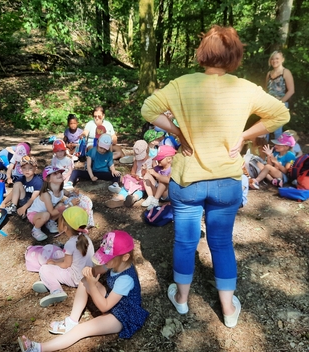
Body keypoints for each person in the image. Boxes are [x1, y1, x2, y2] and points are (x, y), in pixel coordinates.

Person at [141, 25, 290, 328]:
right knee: (221, 243)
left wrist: (178, 132)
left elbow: (148, 109)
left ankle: (181, 301)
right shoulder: (245, 88)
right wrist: (245, 135)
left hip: (188, 180)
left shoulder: (183, 84)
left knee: (184, 241)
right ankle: (228, 310)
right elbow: (280, 114)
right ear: (234, 56)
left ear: (203, 53)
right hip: (227, 181)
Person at [18, 230, 149, 352]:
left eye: (107, 258)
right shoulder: (115, 262)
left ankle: (37, 348)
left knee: (81, 330)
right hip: (114, 301)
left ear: (125, 257)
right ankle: (72, 321)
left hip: (123, 315)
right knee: (84, 281)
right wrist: (88, 272)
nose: (105, 261)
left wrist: (93, 285)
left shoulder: (125, 279)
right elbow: (97, 270)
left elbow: (104, 307)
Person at [32, 206, 94, 307]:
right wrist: (56, 261)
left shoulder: (70, 243)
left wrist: (55, 263)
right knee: (55, 261)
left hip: (76, 278)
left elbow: (66, 264)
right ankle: (50, 281)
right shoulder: (86, 238)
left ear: (65, 227)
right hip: (87, 274)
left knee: (44, 269)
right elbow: (73, 259)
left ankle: (56, 290)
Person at [105, 140, 153, 208]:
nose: (140, 159)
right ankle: (119, 198)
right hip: (135, 179)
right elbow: (133, 170)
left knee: (140, 191)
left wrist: (144, 170)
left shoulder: (150, 161)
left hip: (143, 181)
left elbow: (149, 175)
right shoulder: (137, 160)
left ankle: (133, 198)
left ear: (147, 152)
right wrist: (134, 175)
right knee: (126, 187)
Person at [27, 166, 65, 241]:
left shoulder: (61, 191)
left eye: (60, 172)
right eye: (55, 173)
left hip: (46, 213)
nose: (59, 174)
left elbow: (69, 193)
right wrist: (69, 205)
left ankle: (50, 222)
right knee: (51, 212)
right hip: (34, 214)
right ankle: (36, 230)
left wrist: (73, 193)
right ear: (48, 179)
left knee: (61, 205)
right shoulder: (46, 194)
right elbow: (52, 212)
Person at [266, 51, 295, 139]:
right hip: (268, 105)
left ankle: (278, 152)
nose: (274, 60)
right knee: (264, 129)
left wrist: (279, 103)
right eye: (272, 59)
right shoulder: (269, 73)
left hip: (281, 104)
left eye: (277, 58)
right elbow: (267, 90)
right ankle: (263, 151)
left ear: (282, 60)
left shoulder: (286, 72)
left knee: (277, 131)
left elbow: (291, 90)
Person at [141, 145, 176, 210]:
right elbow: (149, 172)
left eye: (160, 159)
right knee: (147, 175)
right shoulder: (159, 167)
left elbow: (168, 180)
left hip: (167, 193)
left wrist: (155, 174)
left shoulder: (172, 169)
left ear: (169, 159)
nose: (158, 160)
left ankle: (155, 201)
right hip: (158, 191)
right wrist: (145, 170)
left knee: (163, 181)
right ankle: (150, 197)